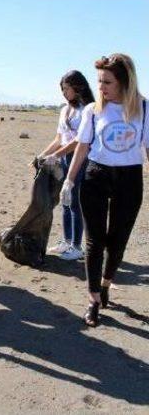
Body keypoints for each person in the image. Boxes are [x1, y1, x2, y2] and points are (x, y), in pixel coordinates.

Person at [60, 53, 148, 327]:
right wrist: (70, 180)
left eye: (106, 82)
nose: (100, 87)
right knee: (94, 241)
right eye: (99, 82)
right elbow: (83, 145)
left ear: (124, 82)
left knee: (117, 241)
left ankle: (107, 283)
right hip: (96, 175)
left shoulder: (143, 109)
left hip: (130, 178)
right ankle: (94, 299)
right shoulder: (93, 110)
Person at [36, 71, 95, 261]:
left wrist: (56, 155)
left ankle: (77, 246)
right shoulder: (64, 110)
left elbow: (80, 141)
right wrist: (43, 155)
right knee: (65, 200)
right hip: (63, 160)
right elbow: (59, 139)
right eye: (62, 89)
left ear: (78, 88)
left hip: (80, 160)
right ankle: (67, 241)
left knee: (75, 201)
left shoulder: (87, 109)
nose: (63, 92)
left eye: (66, 88)